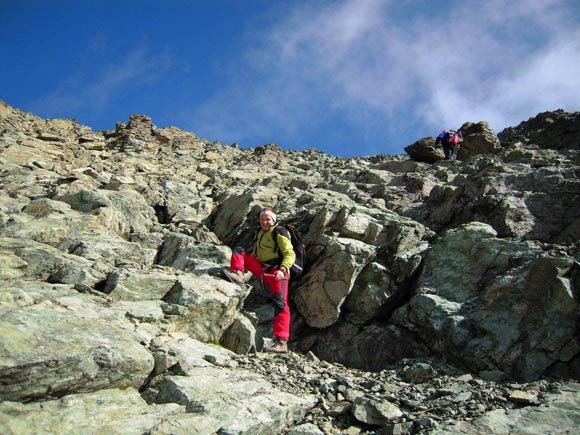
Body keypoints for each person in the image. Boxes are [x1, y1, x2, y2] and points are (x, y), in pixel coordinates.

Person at [222, 207, 295, 354]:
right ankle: (237, 274)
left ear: (274, 220)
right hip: (262, 270)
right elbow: (255, 254)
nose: (265, 222)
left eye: (268, 219)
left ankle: (281, 342)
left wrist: (283, 269)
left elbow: (289, 253)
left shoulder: (279, 232)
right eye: (262, 219)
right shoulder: (260, 232)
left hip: (277, 273)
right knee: (239, 251)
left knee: (280, 304)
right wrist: (247, 266)